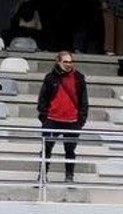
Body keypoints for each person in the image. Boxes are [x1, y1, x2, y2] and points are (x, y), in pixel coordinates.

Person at [35, 51, 88, 184]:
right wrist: (44, 117)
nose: (69, 64)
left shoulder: (79, 78)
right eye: (65, 62)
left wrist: (81, 120)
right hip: (52, 119)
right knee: (46, 149)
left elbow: (84, 101)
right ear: (58, 62)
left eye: (70, 61)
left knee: (70, 150)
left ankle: (69, 176)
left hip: (72, 121)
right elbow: (43, 99)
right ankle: (42, 175)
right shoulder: (50, 78)